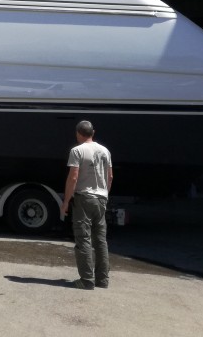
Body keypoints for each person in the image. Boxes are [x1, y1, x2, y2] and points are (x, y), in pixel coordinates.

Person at [60, 120, 113, 290]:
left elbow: (73, 177)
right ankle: (102, 280)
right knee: (100, 241)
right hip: (101, 198)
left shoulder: (77, 151)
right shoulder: (105, 151)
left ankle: (86, 280)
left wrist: (66, 201)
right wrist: (104, 194)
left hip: (84, 198)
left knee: (83, 239)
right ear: (93, 132)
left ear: (78, 133)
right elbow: (110, 177)